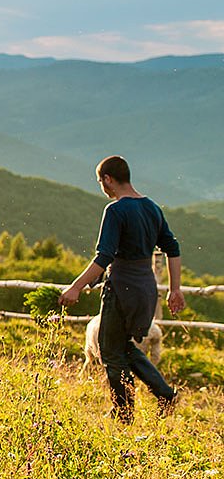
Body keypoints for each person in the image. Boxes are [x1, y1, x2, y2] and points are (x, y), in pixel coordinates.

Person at [60, 155, 185, 424]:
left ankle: (124, 413)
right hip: (146, 290)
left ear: (108, 179)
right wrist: (175, 289)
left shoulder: (115, 211)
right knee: (122, 345)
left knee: (110, 350)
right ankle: (164, 394)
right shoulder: (152, 207)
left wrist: (75, 287)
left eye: (100, 182)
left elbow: (103, 257)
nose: (102, 188)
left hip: (122, 289)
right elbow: (172, 249)